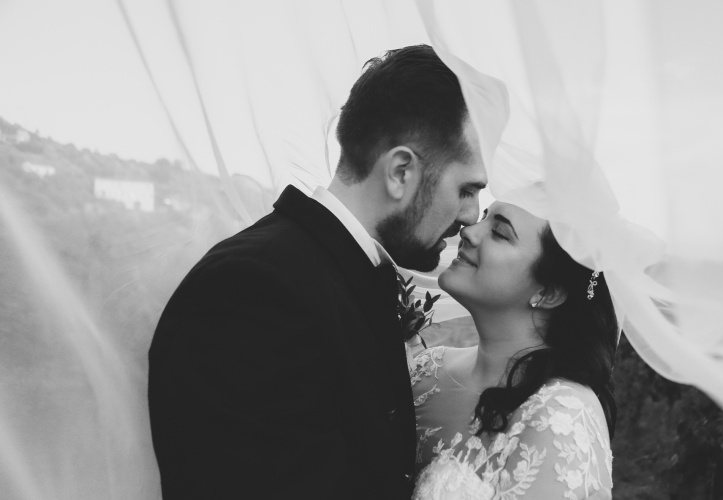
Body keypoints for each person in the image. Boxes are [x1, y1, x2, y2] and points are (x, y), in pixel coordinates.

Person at [147, 44, 487, 499]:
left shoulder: (335, 275)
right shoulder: (251, 292)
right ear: (400, 172)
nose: (471, 216)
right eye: (466, 189)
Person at [411, 201, 618, 499]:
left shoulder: (563, 416)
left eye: (499, 232)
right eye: (484, 217)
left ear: (547, 292)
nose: (469, 231)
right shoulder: (425, 369)